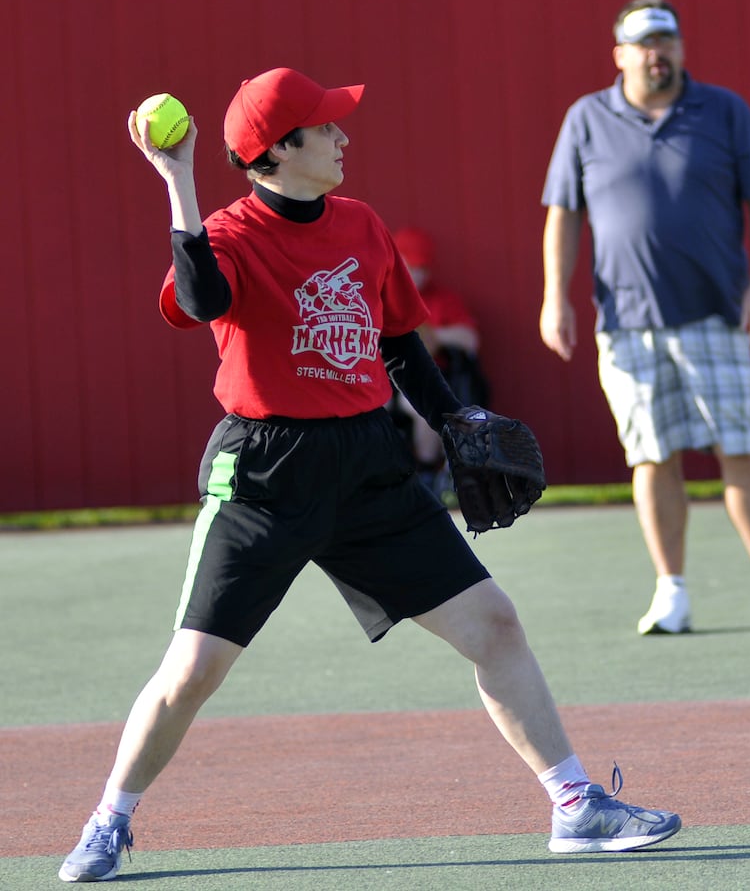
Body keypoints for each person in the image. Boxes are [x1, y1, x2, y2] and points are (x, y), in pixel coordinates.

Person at [58, 67, 680, 883]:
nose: (343, 136)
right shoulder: (232, 232)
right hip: (265, 475)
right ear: (278, 151)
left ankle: (576, 805)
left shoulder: (358, 223)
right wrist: (178, 180)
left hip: (366, 463)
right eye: (325, 127)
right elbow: (206, 300)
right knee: (194, 671)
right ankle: (111, 820)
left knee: (493, 623)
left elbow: (397, 341)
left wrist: (453, 417)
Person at [539, 0, 750, 636]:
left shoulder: (724, 111)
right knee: (651, 456)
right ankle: (670, 592)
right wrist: (553, 296)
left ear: (680, 49)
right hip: (626, 325)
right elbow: (564, 213)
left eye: (666, 41)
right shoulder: (586, 118)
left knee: (740, 447)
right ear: (620, 55)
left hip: (712, 314)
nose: (656, 53)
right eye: (643, 44)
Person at [386, 226, 490, 491]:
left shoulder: (442, 300)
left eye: (421, 267)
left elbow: (469, 339)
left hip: (423, 377)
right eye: (410, 266)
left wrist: (438, 336)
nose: (416, 274)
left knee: (422, 406)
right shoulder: (379, 296)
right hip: (379, 379)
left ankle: (426, 471)